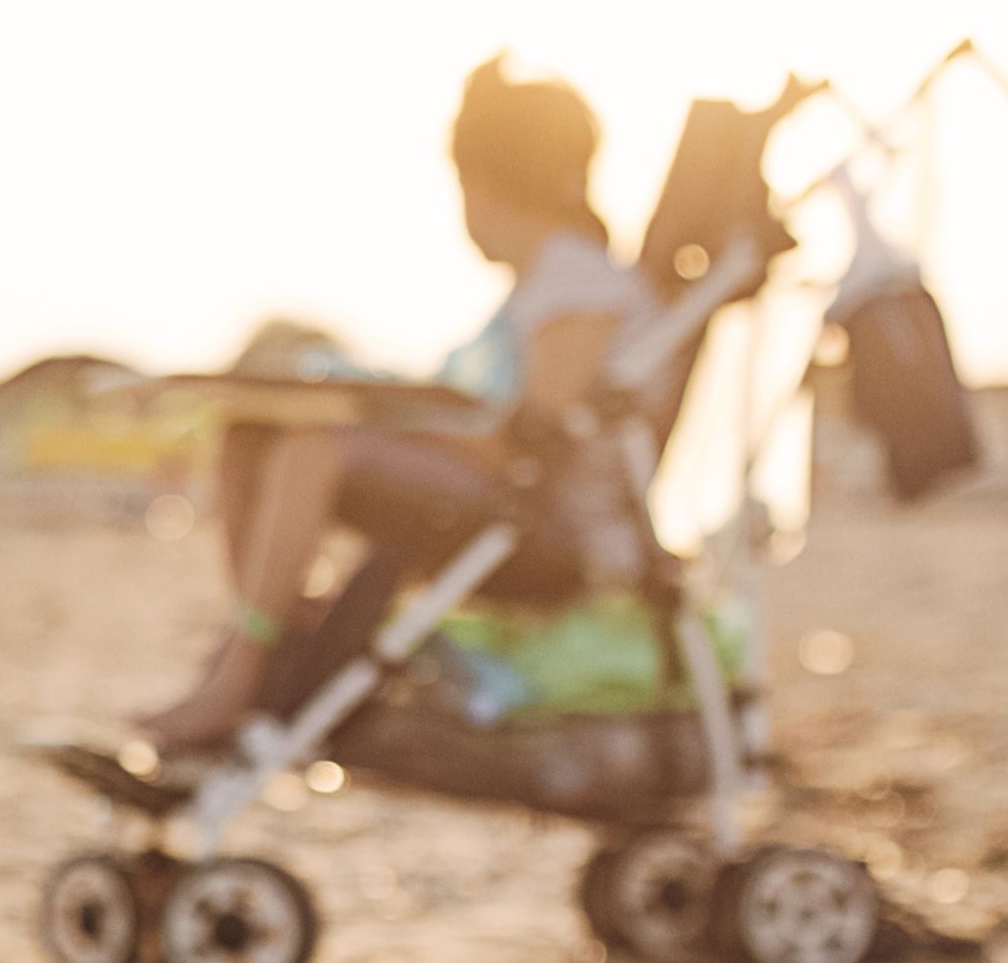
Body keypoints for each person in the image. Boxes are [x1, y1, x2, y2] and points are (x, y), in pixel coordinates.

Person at [127, 57, 645, 758]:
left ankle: (243, 672)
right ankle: (266, 635)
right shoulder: (544, 282)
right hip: (503, 496)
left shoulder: (576, 278)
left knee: (317, 448)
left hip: (549, 529)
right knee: (247, 432)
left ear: (488, 185)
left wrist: (396, 421)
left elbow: (531, 440)